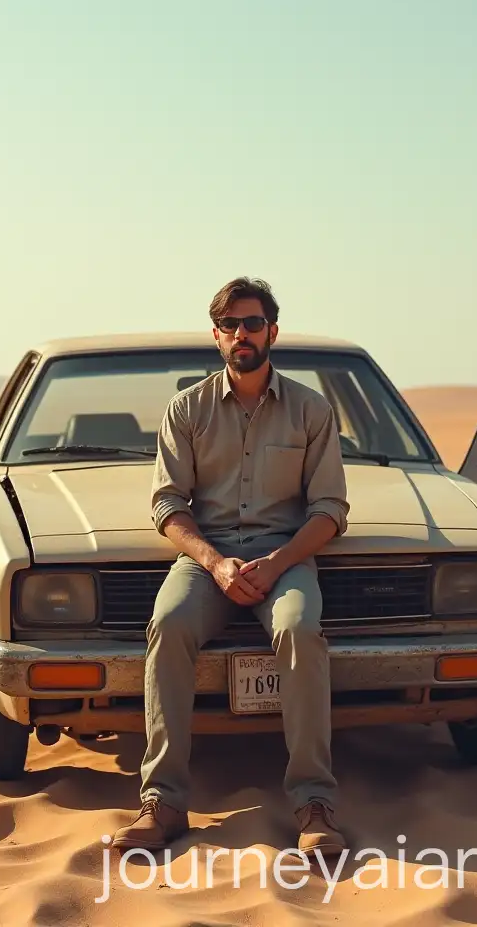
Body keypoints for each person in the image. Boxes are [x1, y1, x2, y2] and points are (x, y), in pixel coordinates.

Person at [110, 276, 350, 856]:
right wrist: (216, 564)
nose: (242, 334)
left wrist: (277, 562)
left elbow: (330, 510)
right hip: (208, 556)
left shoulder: (312, 410)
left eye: (253, 323)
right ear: (216, 335)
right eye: (230, 325)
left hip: (285, 557)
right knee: (168, 624)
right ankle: (163, 803)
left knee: (299, 629)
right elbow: (168, 505)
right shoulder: (186, 410)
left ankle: (314, 805)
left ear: (273, 331)